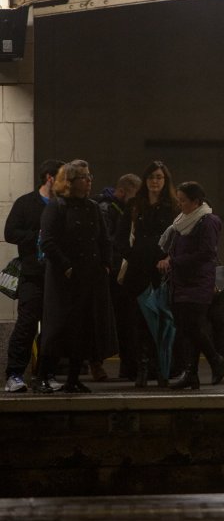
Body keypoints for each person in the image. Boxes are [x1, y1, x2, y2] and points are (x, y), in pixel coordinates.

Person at [36, 160, 113, 394]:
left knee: (83, 327)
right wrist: (66, 266)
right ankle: (42, 376)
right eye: (83, 177)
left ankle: (73, 378)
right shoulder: (57, 207)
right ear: (70, 182)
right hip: (64, 278)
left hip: (89, 275)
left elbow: (103, 239)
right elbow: (48, 241)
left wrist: (106, 265)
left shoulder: (91, 207)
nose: (89, 181)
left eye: (90, 176)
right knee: (57, 327)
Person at [115, 160, 180, 388]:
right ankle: (142, 368)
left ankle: (162, 368)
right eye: (151, 177)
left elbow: (179, 238)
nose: (155, 181)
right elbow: (120, 237)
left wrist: (169, 259)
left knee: (163, 320)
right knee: (140, 321)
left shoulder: (173, 206)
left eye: (159, 177)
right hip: (138, 270)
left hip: (162, 270)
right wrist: (131, 256)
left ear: (166, 180)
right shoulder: (135, 205)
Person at [157, 182, 224, 390]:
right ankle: (192, 374)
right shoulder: (182, 221)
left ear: (196, 202)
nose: (180, 205)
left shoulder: (207, 221)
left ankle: (216, 361)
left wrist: (174, 261)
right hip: (182, 281)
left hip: (198, 282)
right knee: (187, 329)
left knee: (193, 327)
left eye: (184, 201)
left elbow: (206, 253)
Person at [4, 159, 64, 393]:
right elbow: (10, 233)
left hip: (57, 276)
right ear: (49, 177)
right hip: (32, 274)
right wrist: (37, 236)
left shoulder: (63, 205)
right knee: (27, 324)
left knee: (53, 328)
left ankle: (46, 375)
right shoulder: (26, 203)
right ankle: (15, 374)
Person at [96, 173, 142, 381]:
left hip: (121, 273)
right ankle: (97, 364)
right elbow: (108, 241)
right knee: (110, 320)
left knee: (126, 322)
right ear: (121, 192)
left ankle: (128, 367)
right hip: (111, 274)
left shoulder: (121, 209)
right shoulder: (106, 209)